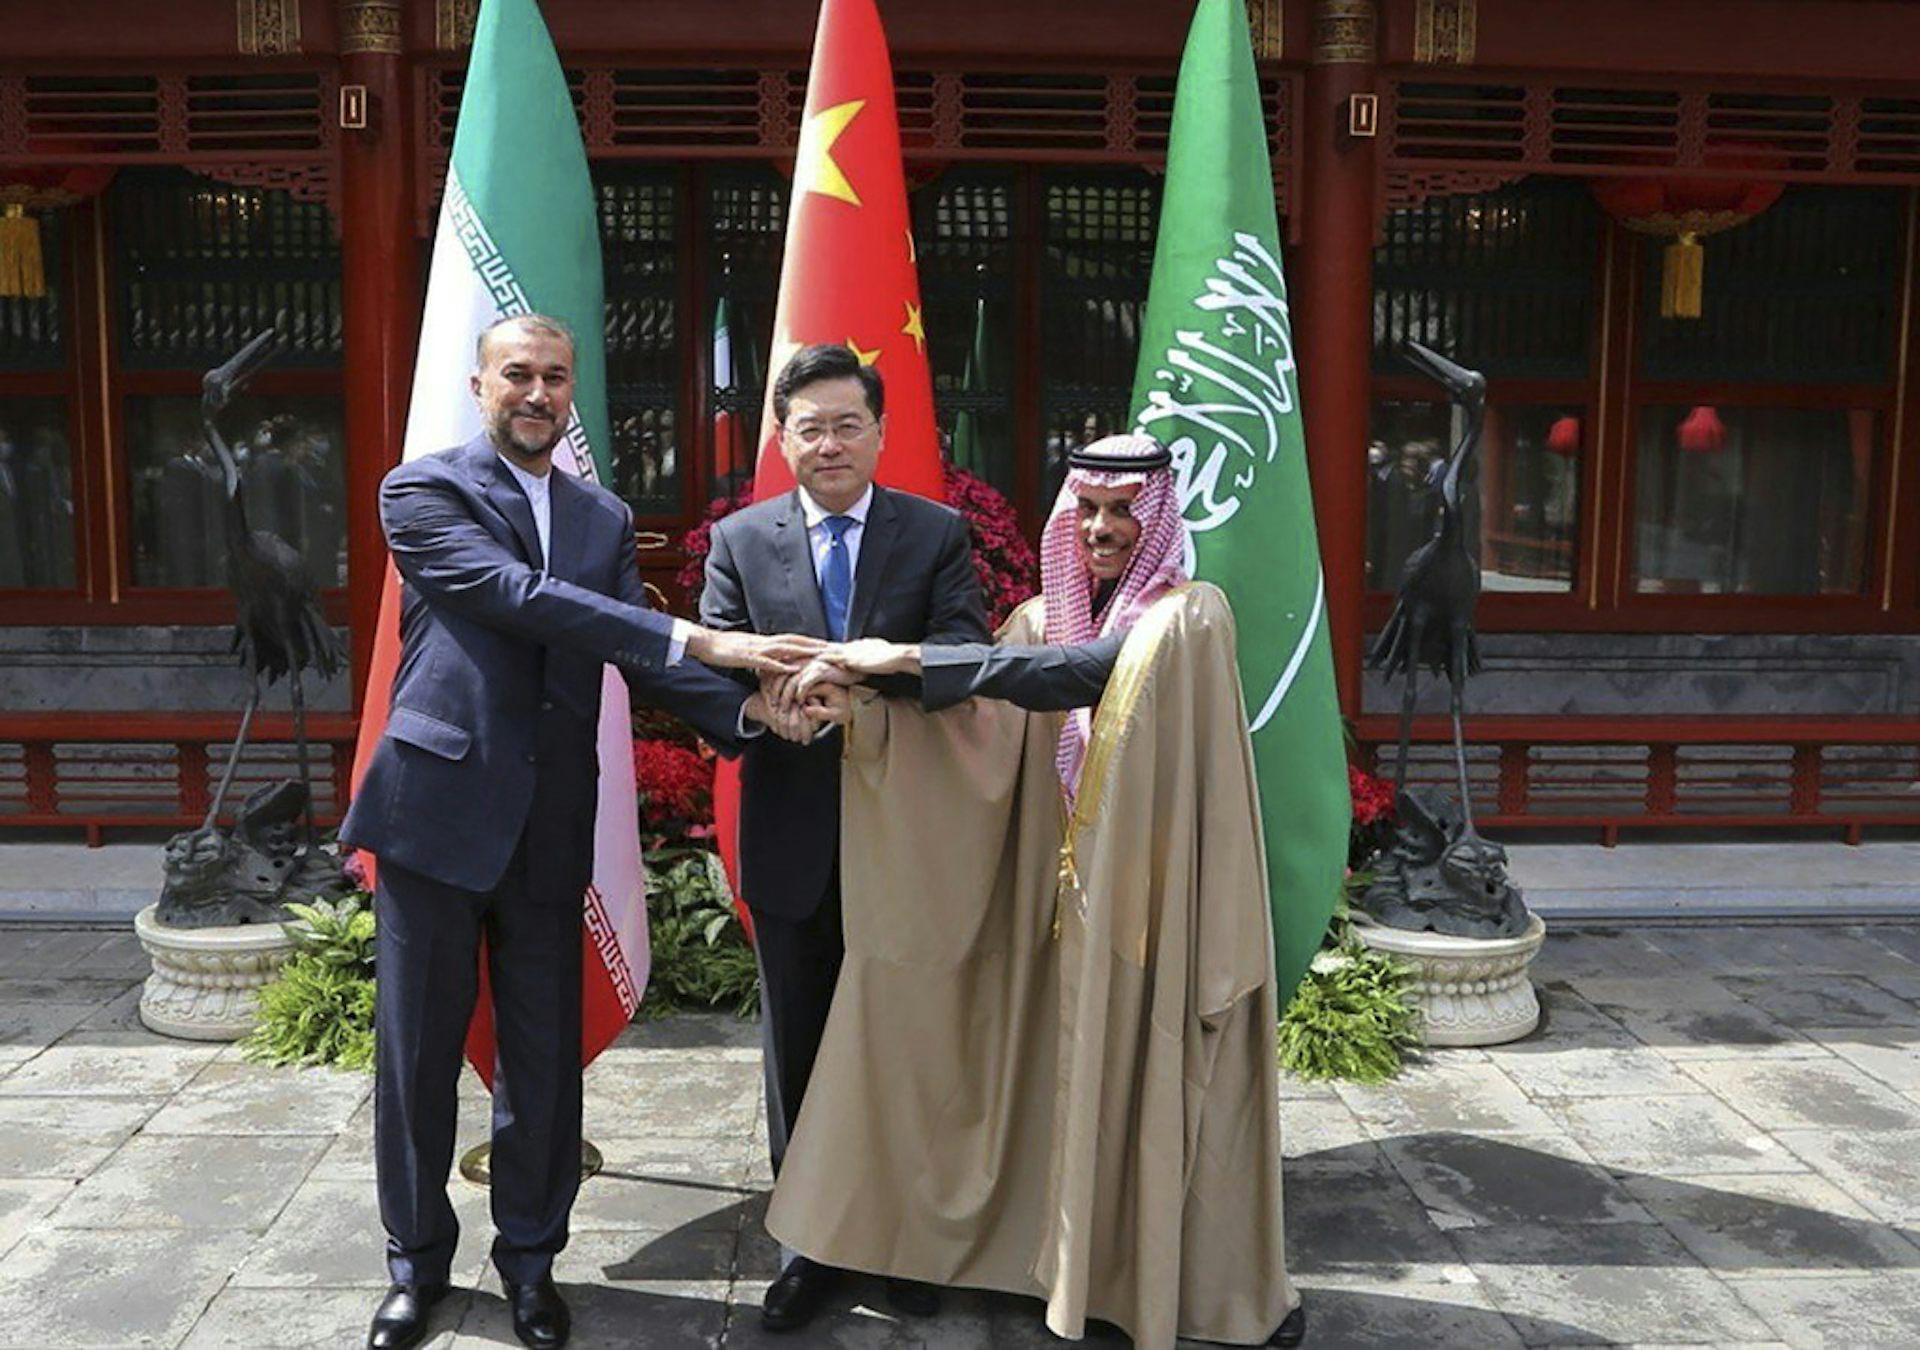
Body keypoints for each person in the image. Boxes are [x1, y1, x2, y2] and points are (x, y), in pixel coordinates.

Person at [341, 315, 820, 1350]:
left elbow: (635, 658)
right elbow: (519, 598)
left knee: (544, 1064)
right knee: (416, 1061)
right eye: (519, 373)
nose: (538, 392)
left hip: (552, 820)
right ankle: (415, 1268)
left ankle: (529, 1265)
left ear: (571, 396)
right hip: (435, 811)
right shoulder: (422, 491)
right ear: (480, 386)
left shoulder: (601, 516)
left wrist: (747, 712)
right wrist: (698, 628)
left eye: (556, 378)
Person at [769, 432, 1305, 1349]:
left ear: (1158, 516)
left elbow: (1089, 672)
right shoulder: (1032, 619)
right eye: (1086, 510)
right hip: (1048, 908)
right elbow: (978, 728)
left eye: (1123, 511)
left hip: (1148, 908)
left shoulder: (1189, 616)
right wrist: (863, 709)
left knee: (1146, 1078)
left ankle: (1165, 1284)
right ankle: (1054, 1265)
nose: (1101, 529)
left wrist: (897, 658)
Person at [698, 341, 991, 1332]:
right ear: (782, 439)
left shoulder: (933, 533)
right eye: (809, 426)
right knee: (803, 1047)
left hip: (905, 834)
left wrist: (860, 686)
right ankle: (809, 1244)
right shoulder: (740, 541)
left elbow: (966, 657)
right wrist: (758, 711)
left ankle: (900, 1237)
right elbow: (711, 668)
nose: (829, 443)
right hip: (792, 831)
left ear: (880, 432)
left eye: (847, 423)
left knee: (900, 1041)